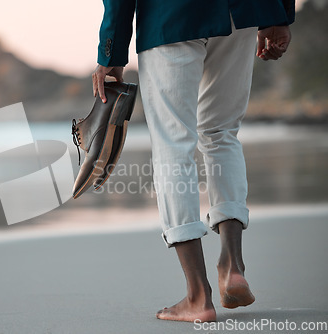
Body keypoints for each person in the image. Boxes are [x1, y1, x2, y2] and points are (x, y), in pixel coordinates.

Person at [92, 0, 294, 322]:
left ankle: (199, 296)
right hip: (239, 12)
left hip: (171, 15)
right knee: (221, 132)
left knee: (173, 145)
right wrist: (279, 14)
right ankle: (232, 266)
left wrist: (111, 52)